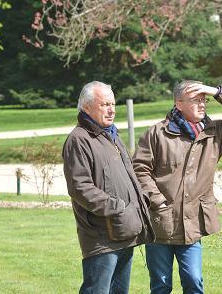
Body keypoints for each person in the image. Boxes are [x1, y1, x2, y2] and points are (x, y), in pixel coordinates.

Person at [132, 80, 222, 294]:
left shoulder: (215, 133)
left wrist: (217, 91)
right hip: (160, 223)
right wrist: (158, 201)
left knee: (194, 281)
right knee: (160, 285)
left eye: (204, 100)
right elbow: (139, 170)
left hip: (193, 224)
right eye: (195, 100)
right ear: (179, 104)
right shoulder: (156, 134)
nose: (202, 104)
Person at [63, 81, 155, 294]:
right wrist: (118, 207)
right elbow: (80, 187)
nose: (112, 110)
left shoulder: (111, 135)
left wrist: (140, 200)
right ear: (86, 107)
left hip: (124, 229)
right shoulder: (79, 139)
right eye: (105, 104)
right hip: (101, 235)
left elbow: (128, 175)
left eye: (113, 104)